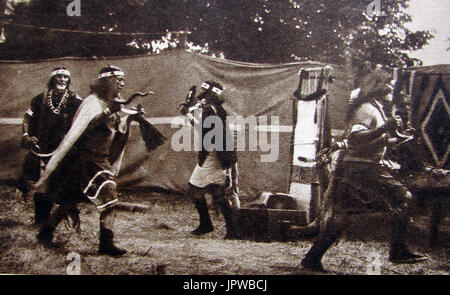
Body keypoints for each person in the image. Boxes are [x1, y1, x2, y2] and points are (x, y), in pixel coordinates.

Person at [300, 68, 427, 273]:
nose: (392, 90)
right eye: (389, 86)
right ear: (379, 88)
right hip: (363, 168)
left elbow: (372, 141)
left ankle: (312, 258)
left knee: (342, 217)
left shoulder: (373, 108)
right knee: (406, 198)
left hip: (355, 168)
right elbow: (355, 139)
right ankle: (397, 250)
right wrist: (385, 128)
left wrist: (398, 139)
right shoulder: (367, 109)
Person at [31, 65, 162, 256]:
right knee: (109, 197)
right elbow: (84, 128)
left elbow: (115, 130)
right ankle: (106, 244)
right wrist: (109, 112)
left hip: (98, 160)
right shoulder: (92, 103)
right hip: (87, 161)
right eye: (118, 82)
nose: (121, 86)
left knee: (70, 201)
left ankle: (45, 233)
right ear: (107, 82)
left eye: (123, 82)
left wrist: (131, 118)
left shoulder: (109, 104)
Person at [18, 67, 83, 225]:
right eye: (59, 77)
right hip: (44, 148)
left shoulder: (75, 100)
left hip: (66, 149)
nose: (62, 80)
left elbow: (86, 119)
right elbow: (27, 118)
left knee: (66, 184)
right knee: (42, 183)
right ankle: (41, 221)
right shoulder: (40, 99)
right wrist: (27, 136)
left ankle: (68, 222)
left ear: (68, 80)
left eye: (65, 77)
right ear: (53, 79)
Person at [180, 81, 240, 239]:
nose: (201, 94)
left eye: (204, 91)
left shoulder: (210, 109)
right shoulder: (216, 109)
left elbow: (205, 132)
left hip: (213, 154)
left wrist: (188, 114)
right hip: (218, 154)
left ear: (210, 94)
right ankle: (230, 229)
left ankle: (211, 225)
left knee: (195, 188)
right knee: (216, 190)